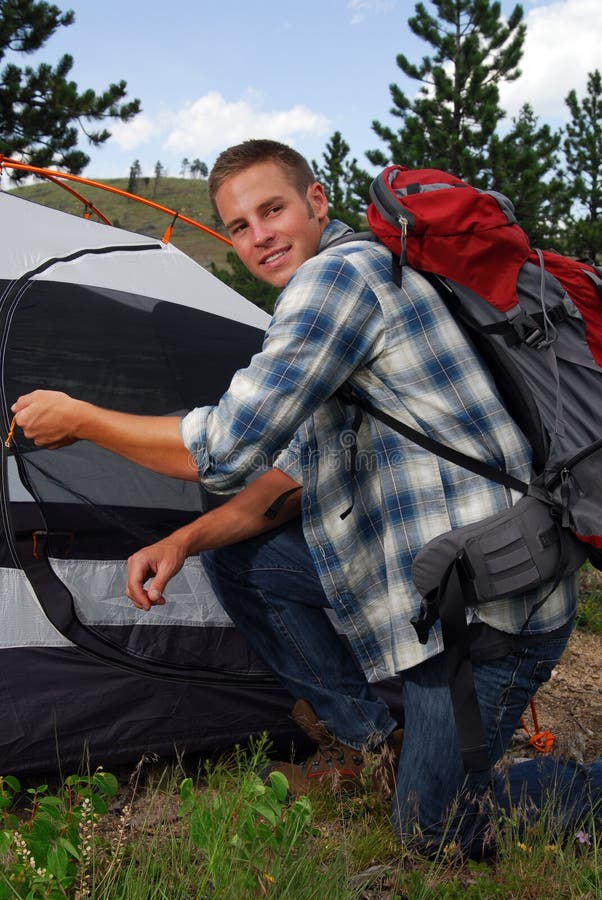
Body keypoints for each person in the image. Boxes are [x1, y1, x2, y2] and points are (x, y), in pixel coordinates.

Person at [12, 139, 600, 857]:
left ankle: (577, 789)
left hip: (488, 608)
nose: (259, 236)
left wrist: (83, 419)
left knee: (433, 830)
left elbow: (223, 449)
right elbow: (285, 478)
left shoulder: (338, 280)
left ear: (316, 202)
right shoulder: (357, 281)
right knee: (244, 563)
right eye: (238, 224)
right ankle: (377, 741)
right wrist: (181, 541)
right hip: (439, 576)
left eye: (273, 209)